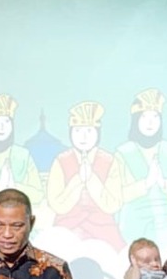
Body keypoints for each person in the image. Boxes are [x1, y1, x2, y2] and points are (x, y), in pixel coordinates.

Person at [107, 88, 167, 247]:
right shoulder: (123, 153)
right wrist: (145, 184)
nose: (150, 122)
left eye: (155, 117)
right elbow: (114, 197)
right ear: (136, 121)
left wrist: (164, 183)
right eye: (144, 117)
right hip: (135, 225)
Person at [45, 100, 123, 248]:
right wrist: (78, 180)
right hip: (67, 223)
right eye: (78, 131)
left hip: (102, 225)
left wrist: (92, 179)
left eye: (89, 131)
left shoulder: (109, 161)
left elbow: (114, 204)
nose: (83, 137)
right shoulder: (61, 161)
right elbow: (56, 204)